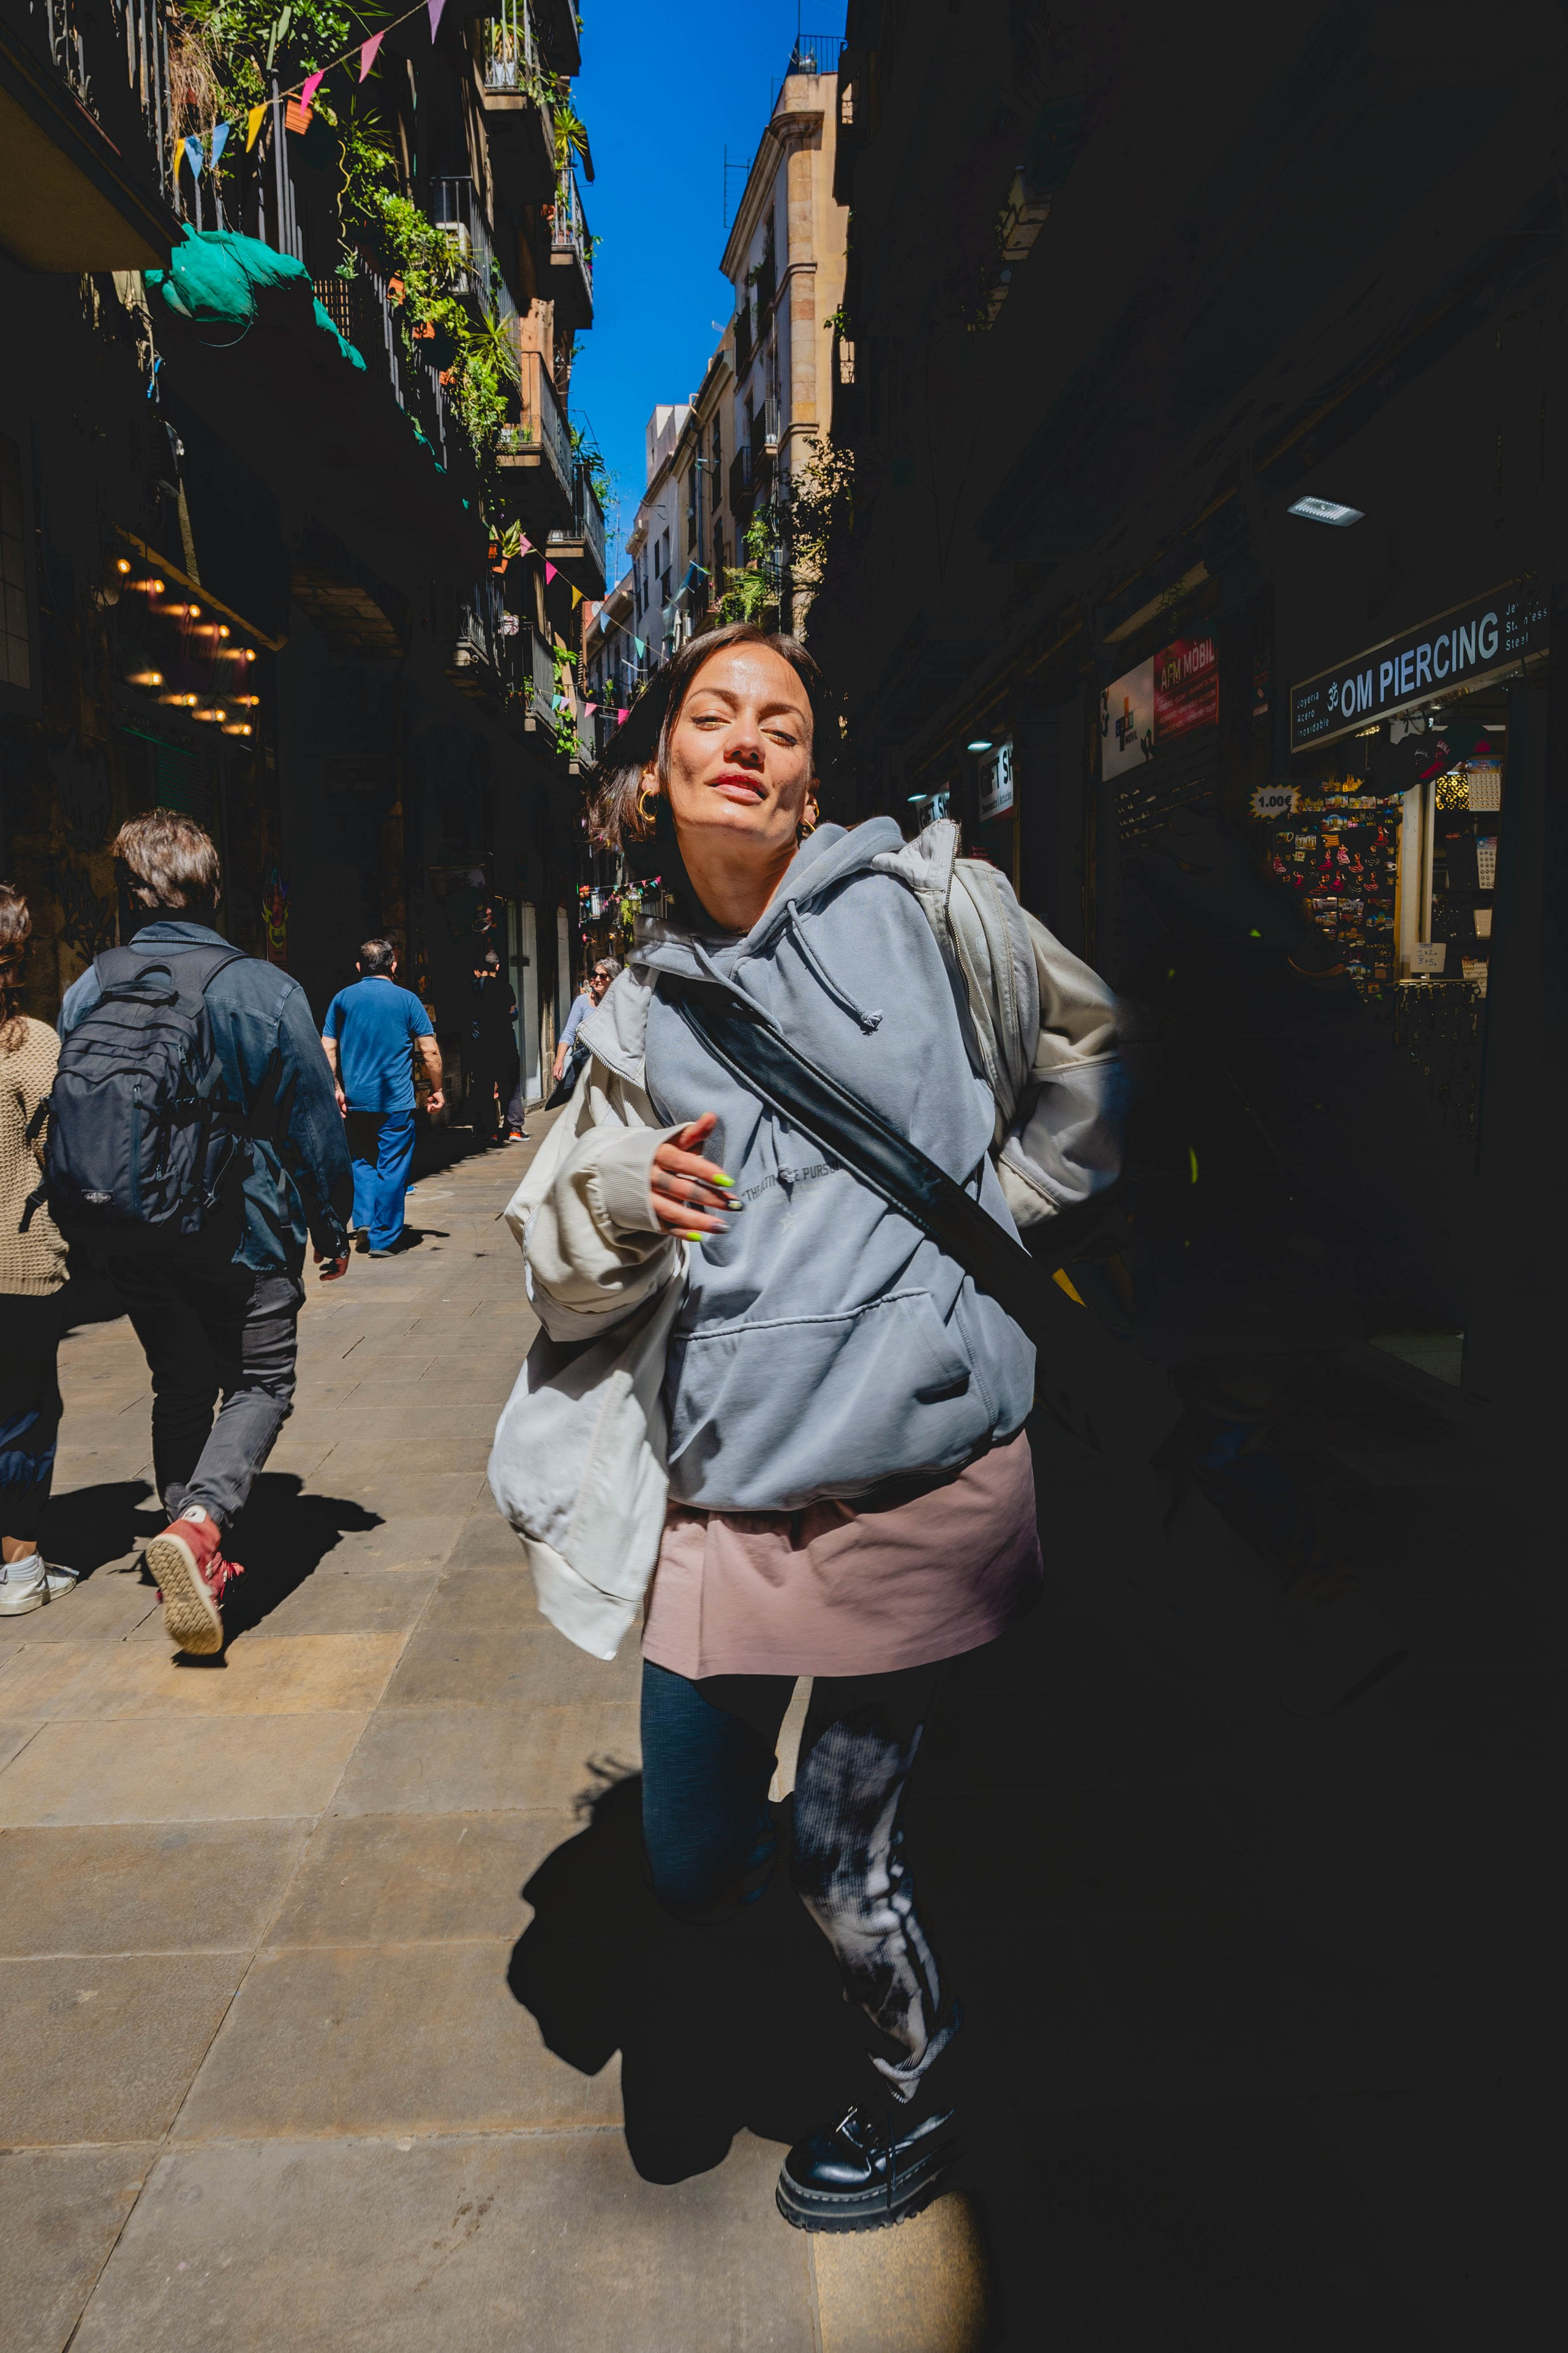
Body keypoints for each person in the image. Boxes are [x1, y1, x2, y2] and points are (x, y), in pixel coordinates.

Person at [505, 624, 1115, 2231]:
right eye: (714, 713)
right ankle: (838, 1925)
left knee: (846, 1861)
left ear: (812, 773)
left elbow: (1094, 1051)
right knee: (697, 1856)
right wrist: (631, 1193)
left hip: (923, 1482)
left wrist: (1002, 1220)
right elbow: (552, 1242)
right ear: (663, 769)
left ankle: (915, 2089)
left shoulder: (935, 910)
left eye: (781, 720)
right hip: (731, 1497)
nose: (747, 739)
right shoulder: (638, 1012)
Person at [58, 812, 353, 1656]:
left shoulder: (91, 987)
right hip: (243, 1229)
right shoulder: (260, 988)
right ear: (215, 892)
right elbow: (311, 1124)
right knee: (261, 1381)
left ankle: (188, 1546)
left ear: (127, 894)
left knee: (181, 1383)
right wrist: (334, 1226)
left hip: (132, 1230)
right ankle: (199, 1526)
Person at [0, 885, 77, 1617]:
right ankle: (19, 1568)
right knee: (24, 1409)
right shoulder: (33, 1047)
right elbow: (63, 1155)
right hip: (16, 1264)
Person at [322, 939, 444, 1253]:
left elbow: (328, 1048)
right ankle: (384, 1238)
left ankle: (364, 1222)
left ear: (360, 967)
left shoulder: (341, 999)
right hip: (396, 1102)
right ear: (393, 966)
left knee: (362, 1160)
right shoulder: (407, 1000)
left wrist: (336, 1088)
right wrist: (437, 1089)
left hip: (356, 1100)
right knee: (393, 1166)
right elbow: (430, 1050)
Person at [463, 947, 521, 1147]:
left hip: (481, 1045)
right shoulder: (505, 988)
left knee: (484, 1088)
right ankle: (515, 1129)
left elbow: (467, 1016)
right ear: (498, 966)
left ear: (479, 968)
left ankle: (490, 1131)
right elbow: (513, 1013)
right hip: (505, 1043)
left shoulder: (471, 988)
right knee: (511, 1087)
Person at [547, 956, 619, 1106]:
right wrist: (559, 1060)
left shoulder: (620, 1003)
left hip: (612, 1064)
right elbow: (569, 1032)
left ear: (614, 979)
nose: (597, 980)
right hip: (586, 1062)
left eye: (603, 976)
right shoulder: (582, 1001)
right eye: (595, 975)